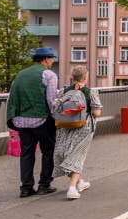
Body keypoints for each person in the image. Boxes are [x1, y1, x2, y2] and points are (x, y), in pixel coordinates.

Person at [6, 47, 59, 198]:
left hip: (21, 121)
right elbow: (51, 100)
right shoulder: (49, 75)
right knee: (48, 151)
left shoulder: (21, 74)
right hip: (42, 120)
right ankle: (44, 185)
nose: (52, 61)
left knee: (26, 154)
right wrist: (57, 117)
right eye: (51, 59)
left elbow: (12, 97)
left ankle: (26, 187)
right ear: (46, 59)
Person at [52, 66, 101, 200]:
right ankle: (72, 188)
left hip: (65, 127)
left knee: (66, 154)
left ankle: (80, 183)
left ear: (73, 78)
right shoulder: (90, 92)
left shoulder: (63, 91)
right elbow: (96, 112)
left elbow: (57, 108)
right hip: (84, 128)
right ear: (85, 78)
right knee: (77, 156)